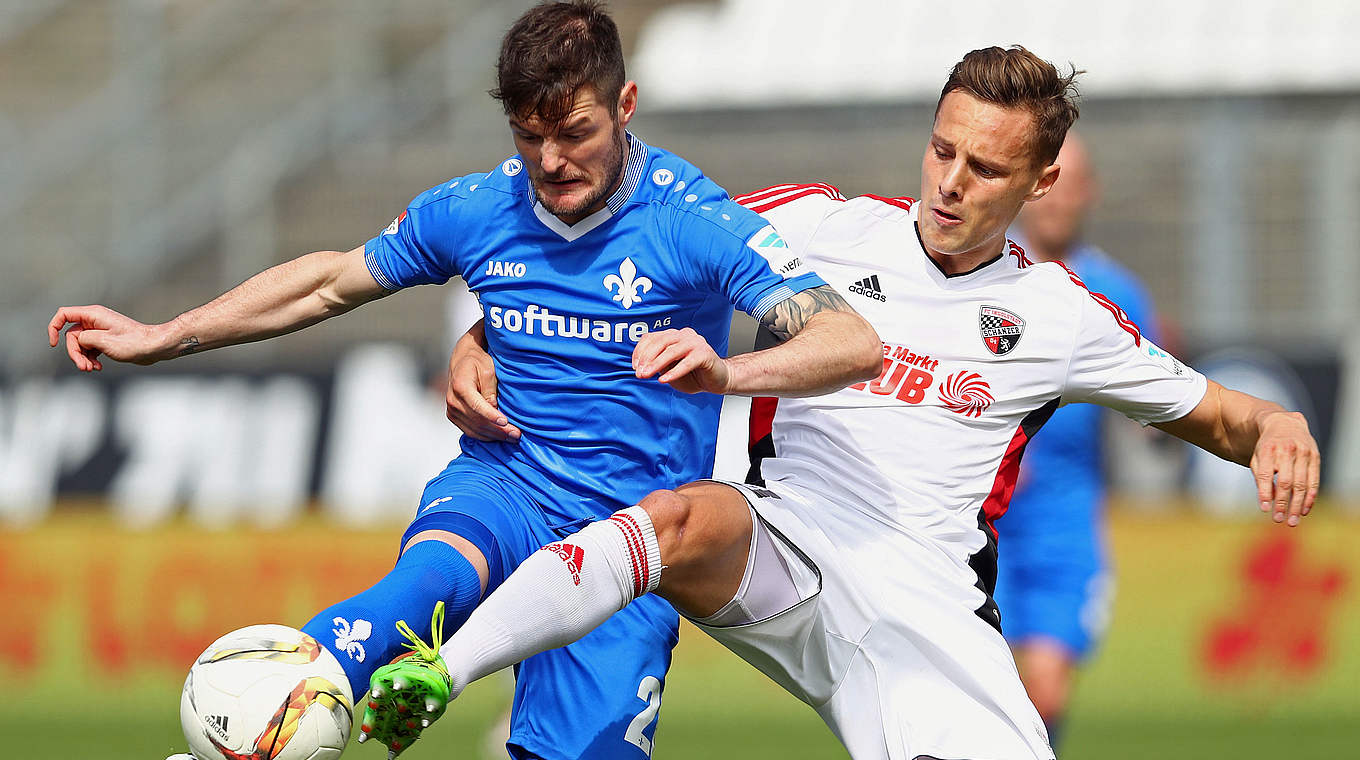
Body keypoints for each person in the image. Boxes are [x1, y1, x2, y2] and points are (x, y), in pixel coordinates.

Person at [366, 45, 1322, 760]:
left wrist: (1277, 425)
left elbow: (1222, 416)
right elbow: (630, 258)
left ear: (1040, 181)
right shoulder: (816, 224)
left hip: (927, 617)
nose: (950, 184)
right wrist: (486, 332)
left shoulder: (1064, 316)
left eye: (985, 169)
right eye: (942, 150)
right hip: (786, 543)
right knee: (671, 521)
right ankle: (439, 673)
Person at [45, 3, 881, 759]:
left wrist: (729, 371)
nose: (550, 161)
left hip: (631, 548)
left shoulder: (692, 220)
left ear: (624, 107)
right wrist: (166, 334)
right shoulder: (479, 207)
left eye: (574, 132)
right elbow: (331, 281)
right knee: (409, 601)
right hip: (504, 487)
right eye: (527, 135)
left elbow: (849, 340)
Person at [991, 131, 1158, 748]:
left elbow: (1159, 402)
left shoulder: (1122, 292)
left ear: (1089, 193)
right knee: (991, 688)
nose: (1057, 200)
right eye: (1048, 183)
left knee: (1046, 692)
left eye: (1071, 184)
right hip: (984, 518)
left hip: (1065, 516)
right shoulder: (989, 280)